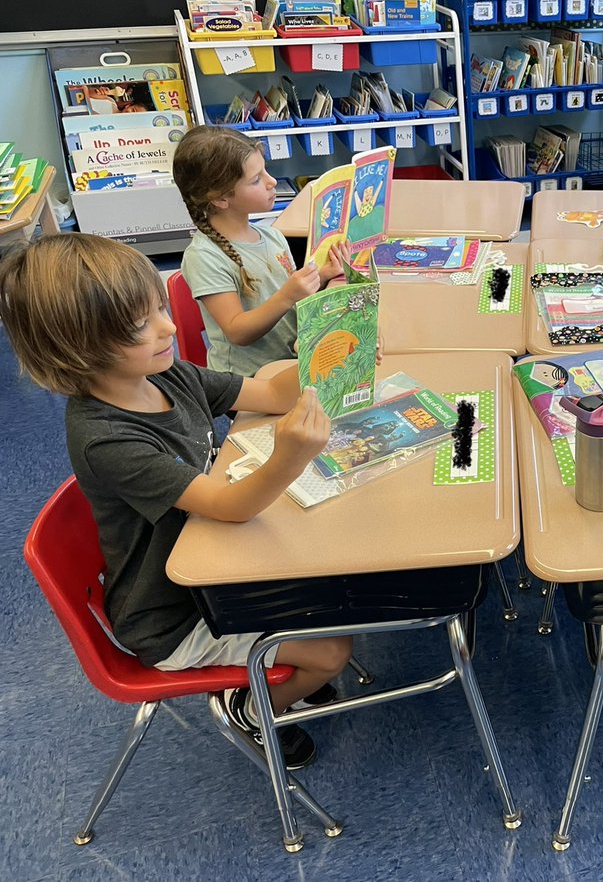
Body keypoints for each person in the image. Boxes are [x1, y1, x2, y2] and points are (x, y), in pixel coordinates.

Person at [0, 233, 354, 770]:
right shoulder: (107, 439)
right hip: (172, 618)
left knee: (336, 590)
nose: (168, 327)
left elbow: (270, 395)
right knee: (333, 651)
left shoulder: (164, 373)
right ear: (74, 347)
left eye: (161, 308)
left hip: (214, 570)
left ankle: (283, 681)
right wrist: (289, 457)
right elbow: (234, 506)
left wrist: (338, 341)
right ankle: (252, 711)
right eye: (139, 325)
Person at [173, 125, 351, 377]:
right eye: (256, 179)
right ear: (220, 198)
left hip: (291, 362)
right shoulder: (204, 256)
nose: (272, 182)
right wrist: (288, 296)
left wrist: (321, 276)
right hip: (247, 381)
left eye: (265, 170)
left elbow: (290, 298)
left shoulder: (273, 235)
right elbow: (237, 332)